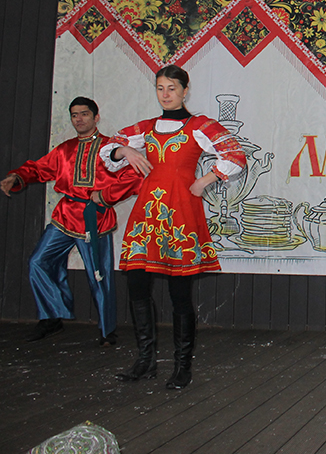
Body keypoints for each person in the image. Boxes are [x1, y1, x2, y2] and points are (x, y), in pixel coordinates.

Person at [102, 65, 245, 389]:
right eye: (160, 88)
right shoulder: (146, 127)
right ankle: (145, 361)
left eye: (172, 88)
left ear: (185, 91)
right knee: (137, 284)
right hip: (147, 215)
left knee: (179, 292)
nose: (165, 94)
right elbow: (109, 149)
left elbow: (235, 155)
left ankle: (182, 366)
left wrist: (205, 180)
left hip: (180, 211)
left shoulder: (200, 126)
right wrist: (126, 150)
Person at [1, 97, 141, 345]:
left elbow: (134, 177)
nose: (79, 119)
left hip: (94, 217)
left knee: (99, 275)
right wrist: (17, 176)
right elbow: (39, 169)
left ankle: (107, 330)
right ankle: (52, 317)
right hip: (65, 215)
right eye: (74, 115)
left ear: (96, 117)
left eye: (84, 114)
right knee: (39, 262)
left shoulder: (110, 149)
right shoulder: (64, 149)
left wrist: (105, 196)